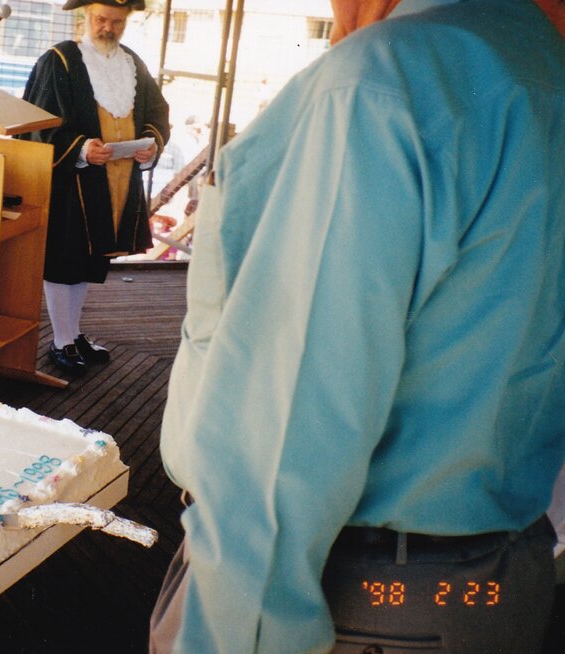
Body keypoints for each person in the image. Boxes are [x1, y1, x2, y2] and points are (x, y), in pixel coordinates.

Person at [151, 1, 565, 653]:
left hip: (357, 596)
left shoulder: (381, 81)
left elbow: (286, 431)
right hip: (499, 580)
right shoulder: (541, 61)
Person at [22, 0, 169, 374]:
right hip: (72, 180)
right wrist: (82, 147)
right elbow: (38, 121)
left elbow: (156, 113)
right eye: (102, 19)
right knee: (64, 260)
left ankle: (72, 333)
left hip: (117, 182)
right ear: (84, 17)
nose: (109, 28)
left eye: (117, 22)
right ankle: (60, 341)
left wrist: (150, 142)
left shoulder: (132, 63)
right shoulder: (60, 60)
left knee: (88, 260)